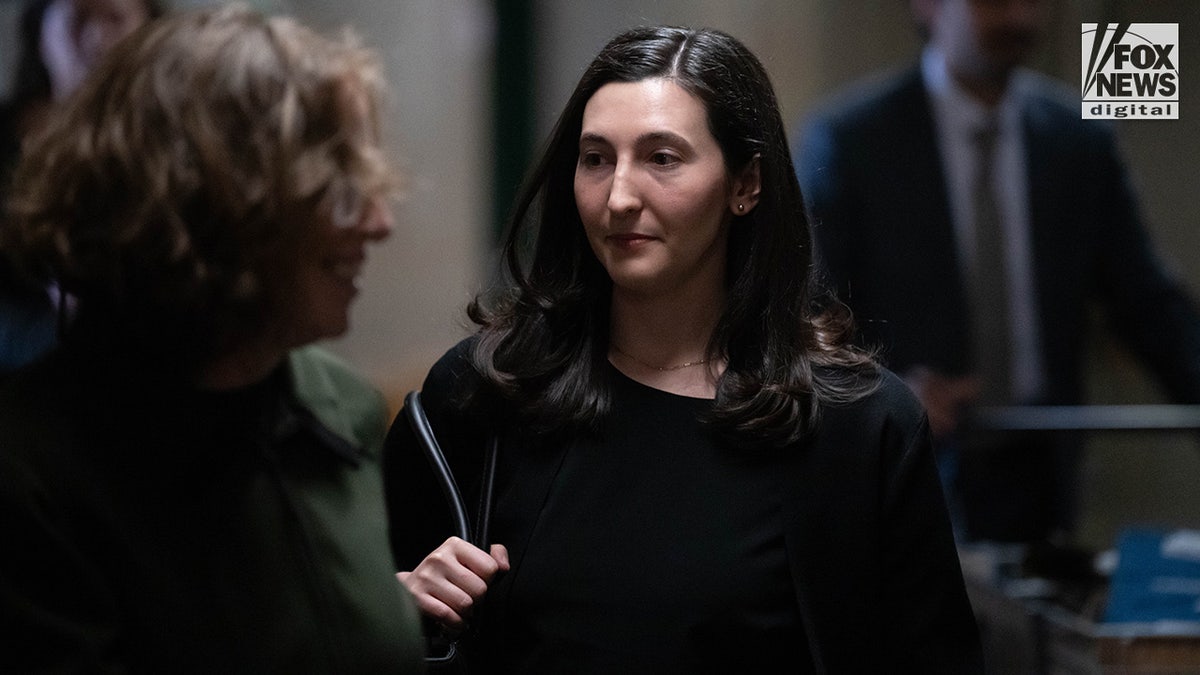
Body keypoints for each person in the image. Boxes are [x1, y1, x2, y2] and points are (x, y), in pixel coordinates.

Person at [384, 25, 982, 673]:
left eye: (661, 158)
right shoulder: (482, 395)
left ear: (745, 184)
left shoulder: (861, 427)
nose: (619, 196)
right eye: (595, 158)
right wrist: (393, 608)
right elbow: (345, 624)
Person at [0, 6, 425, 672]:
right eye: (337, 185)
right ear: (217, 203)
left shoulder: (337, 407)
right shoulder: (35, 472)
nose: (379, 220)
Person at [794, 0, 1200, 543]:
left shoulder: (1079, 140)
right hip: (907, 462)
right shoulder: (851, 139)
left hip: (1041, 467)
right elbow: (810, 312)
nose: (1019, 18)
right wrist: (880, 389)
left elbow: (1150, 306)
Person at [0, 0, 163, 376]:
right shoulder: (20, 124)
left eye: (114, 19)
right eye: (80, 22)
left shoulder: (166, 131)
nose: (96, 39)